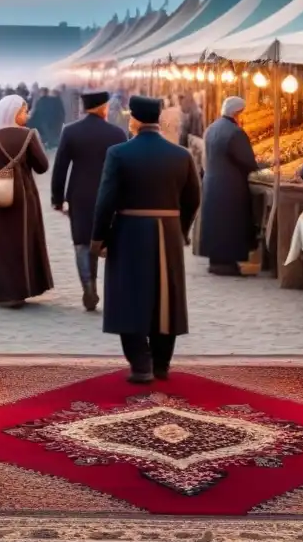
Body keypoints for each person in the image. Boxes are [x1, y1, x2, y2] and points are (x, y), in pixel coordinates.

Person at [91, 95, 200, 383]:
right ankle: (162, 364)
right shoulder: (181, 155)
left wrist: (99, 237)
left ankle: (141, 364)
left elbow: (106, 200)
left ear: (135, 120)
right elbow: (193, 199)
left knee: (130, 295)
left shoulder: (118, 153)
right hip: (168, 231)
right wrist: (180, 229)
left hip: (129, 230)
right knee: (167, 297)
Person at [50, 90, 128, 311]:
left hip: (80, 196)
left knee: (82, 243)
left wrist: (57, 198)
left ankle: (89, 286)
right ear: (104, 107)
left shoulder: (71, 132)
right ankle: (115, 290)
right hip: (110, 195)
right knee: (109, 241)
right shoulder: (116, 133)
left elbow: (61, 167)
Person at [0, 94, 53, 308]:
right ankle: (21, 289)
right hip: (22, 195)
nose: (27, 114)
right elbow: (42, 166)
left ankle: (3, 291)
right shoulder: (28, 135)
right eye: (24, 111)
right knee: (22, 241)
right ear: (14, 113)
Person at [199, 96, 259, 276]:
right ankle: (227, 264)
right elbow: (247, 160)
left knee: (216, 225)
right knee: (230, 226)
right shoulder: (235, 132)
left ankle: (216, 261)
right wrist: (262, 167)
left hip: (212, 184)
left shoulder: (212, 128)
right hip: (230, 186)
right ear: (236, 113)